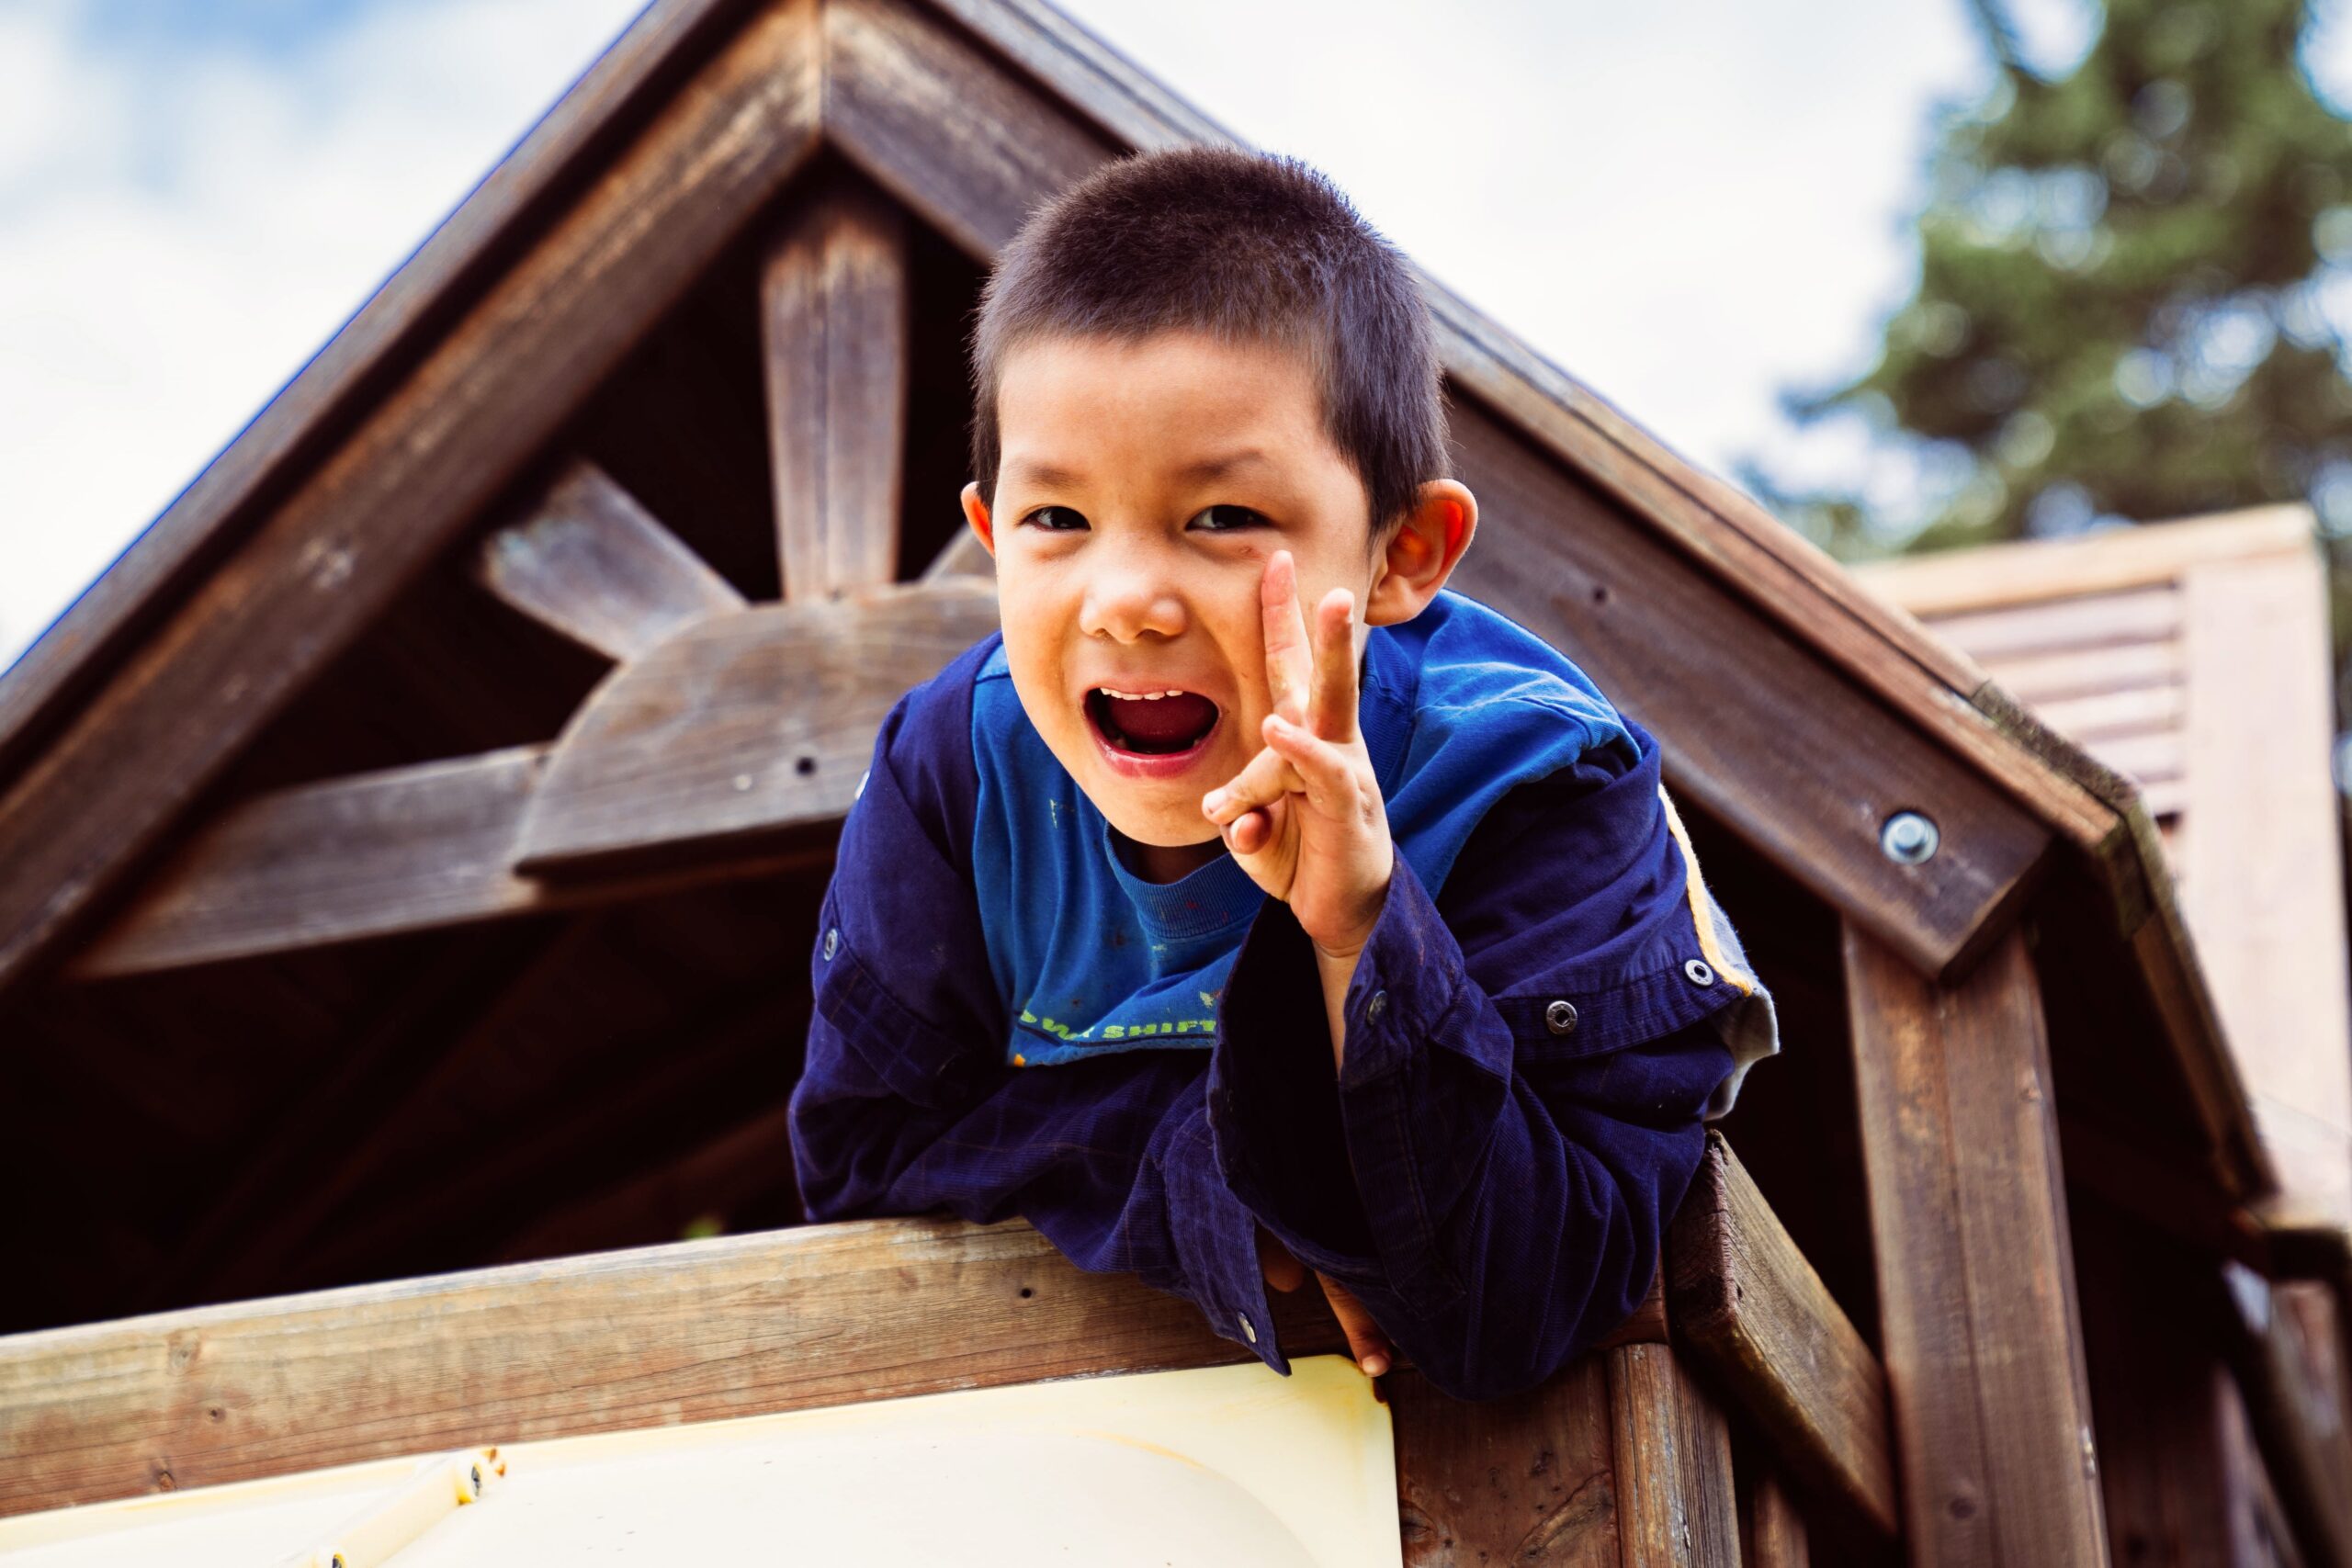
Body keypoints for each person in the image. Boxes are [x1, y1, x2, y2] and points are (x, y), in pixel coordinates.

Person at [786, 145, 1778, 1402]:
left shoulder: (1540, 784)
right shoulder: (953, 777)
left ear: (1403, 553)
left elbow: (1529, 1298)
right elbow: (867, 1165)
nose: (1128, 599)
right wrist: (1221, 1195)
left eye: (1221, 518)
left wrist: (1363, 934)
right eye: (1058, 521)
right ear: (989, 537)